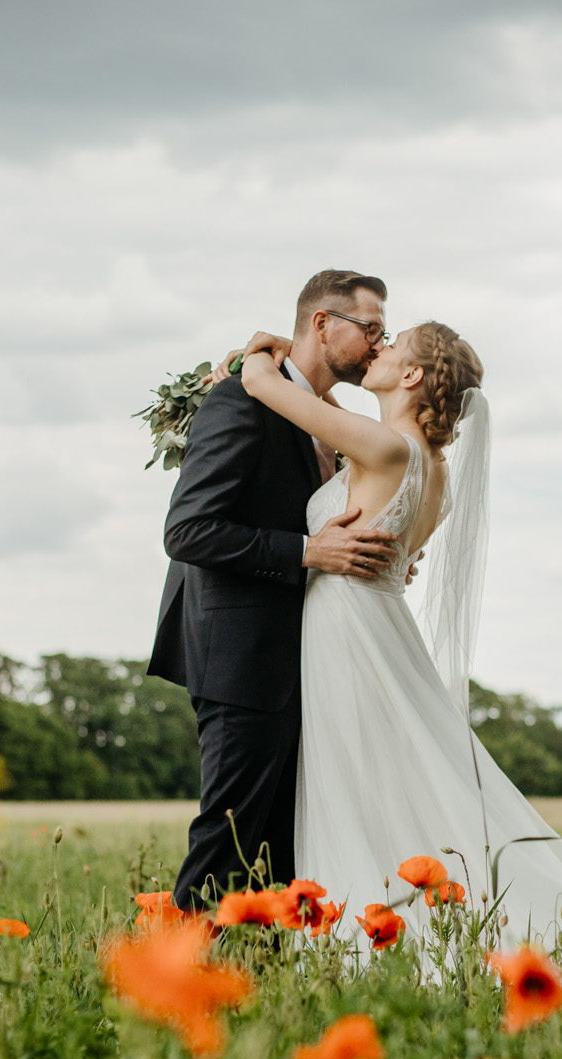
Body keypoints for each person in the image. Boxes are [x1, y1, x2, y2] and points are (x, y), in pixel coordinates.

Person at [226, 320, 562, 952]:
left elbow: (261, 385)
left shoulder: (385, 447)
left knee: (353, 779)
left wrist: (260, 352)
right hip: (377, 622)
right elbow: (393, 547)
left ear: (411, 374)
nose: (379, 347)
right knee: (390, 774)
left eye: (393, 343)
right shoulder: (431, 469)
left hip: (345, 630)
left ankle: (358, 930)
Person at [147, 270, 398, 908]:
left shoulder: (319, 417)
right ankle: (174, 963)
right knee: (228, 838)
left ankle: (261, 967)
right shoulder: (240, 399)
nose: (379, 343)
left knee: (281, 853)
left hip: (307, 661)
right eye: (371, 328)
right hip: (241, 657)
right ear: (323, 323)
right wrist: (310, 551)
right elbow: (188, 530)